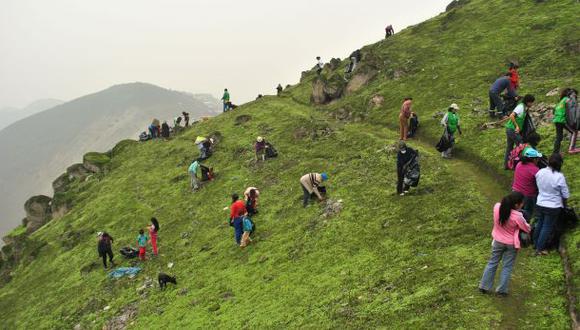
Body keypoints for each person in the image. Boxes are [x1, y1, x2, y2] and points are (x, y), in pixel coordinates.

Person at [479, 192, 530, 297]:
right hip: (511, 244)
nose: (522, 205)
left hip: (497, 241)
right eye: (521, 204)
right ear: (516, 205)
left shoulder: (497, 207)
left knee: (492, 262)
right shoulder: (518, 216)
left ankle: (484, 286)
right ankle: (501, 291)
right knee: (507, 266)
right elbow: (526, 228)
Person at [533, 153, 570, 255]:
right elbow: (565, 194)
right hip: (553, 206)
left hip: (540, 203)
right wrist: (564, 205)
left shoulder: (540, 172)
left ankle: (535, 243)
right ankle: (539, 249)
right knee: (547, 226)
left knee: (540, 223)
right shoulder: (559, 176)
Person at [504, 94, 535, 169]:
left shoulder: (524, 108)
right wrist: (517, 126)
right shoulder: (521, 107)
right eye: (531, 102)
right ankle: (521, 166)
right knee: (521, 146)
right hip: (512, 129)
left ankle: (507, 165)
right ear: (528, 102)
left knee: (509, 147)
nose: (532, 104)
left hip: (509, 129)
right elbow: (512, 115)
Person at [512, 148, 542, 220]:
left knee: (515, 211)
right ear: (534, 159)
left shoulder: (519, 164)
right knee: (527, 212)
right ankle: (525, 226)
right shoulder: (535, 170)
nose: (538, 160)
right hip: (528, 196)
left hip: (515, 191)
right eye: (537, 158)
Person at [553, 88, 577, 154]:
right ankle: (571, 149)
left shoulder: (561, 101)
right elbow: (573, 107)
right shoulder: (567, 99)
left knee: (559, 137)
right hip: (562, 120)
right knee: (574, 132)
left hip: (556, 120)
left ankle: (555, 152)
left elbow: (554, 111)